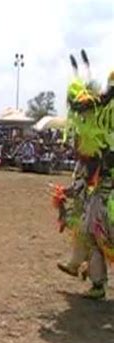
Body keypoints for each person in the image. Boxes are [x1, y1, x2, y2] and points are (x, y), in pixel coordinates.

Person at [52, 50, 113, 299]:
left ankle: (87, 271)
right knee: (91, 230)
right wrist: (74, 189)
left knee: (94, 231)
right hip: (101, 191)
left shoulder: (105, 130)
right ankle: (93, 278)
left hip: (107, 194)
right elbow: (91, 167)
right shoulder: (99, 133)